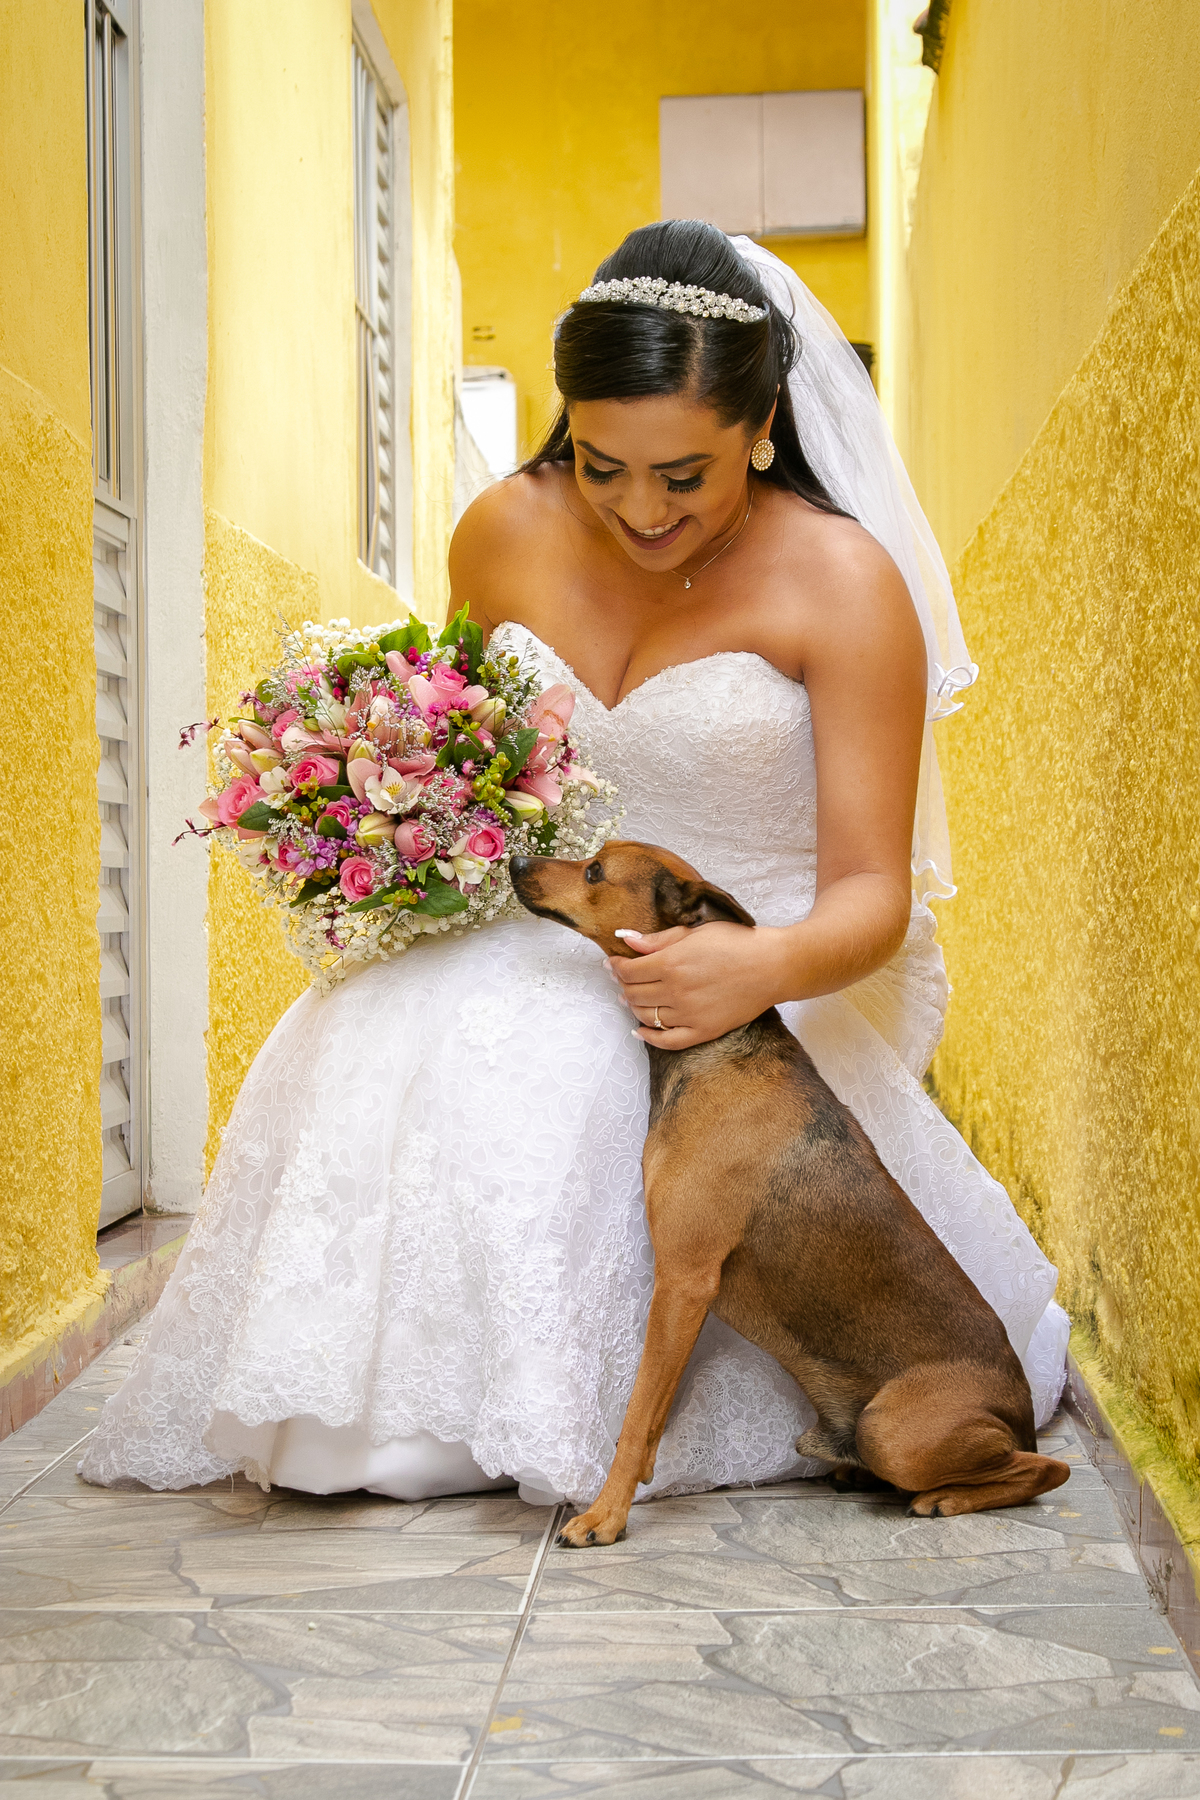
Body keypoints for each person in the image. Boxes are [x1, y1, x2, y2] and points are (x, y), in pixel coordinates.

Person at [81, 222, 1068, 1505]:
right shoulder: (501, 535)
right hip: (541, 926)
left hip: (752, 968)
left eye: (685, 475)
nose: (643, 511)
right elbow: (477, 762)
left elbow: (876, 893)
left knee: (605, 1078)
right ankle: (379, 1389)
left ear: (764, 421)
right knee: (418, 1022)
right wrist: (392, 823)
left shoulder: (842, 581)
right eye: (605, 467)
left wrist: (752, 963)